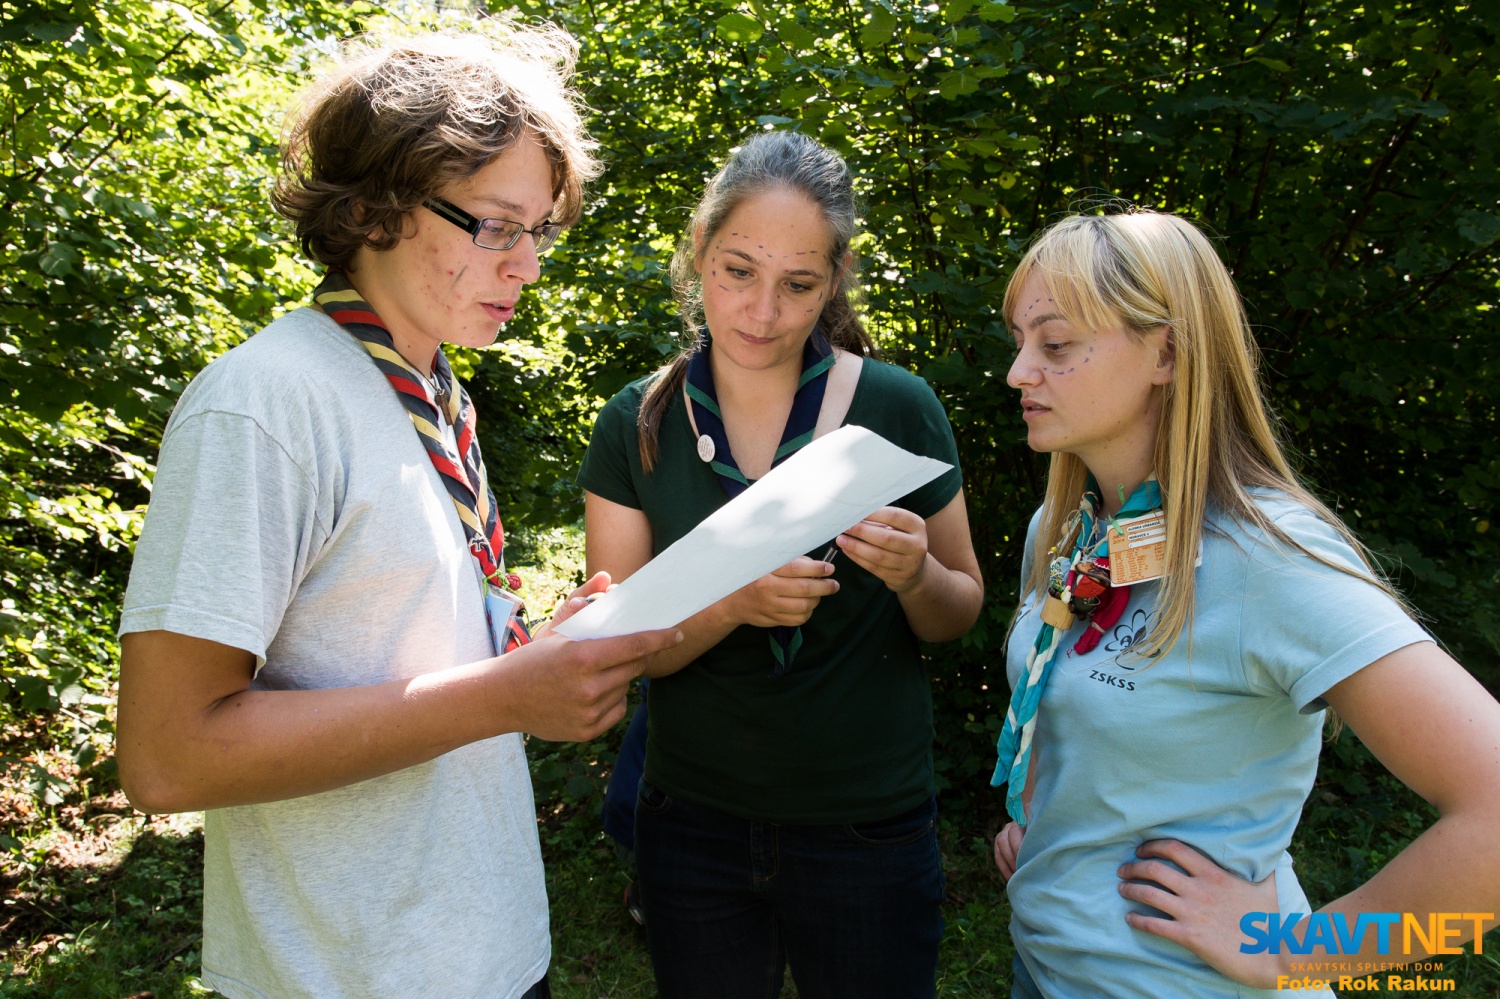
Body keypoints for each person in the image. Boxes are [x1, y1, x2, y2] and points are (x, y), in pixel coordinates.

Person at [114, 24, 682, 999]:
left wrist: (535, 657)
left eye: (540, 232)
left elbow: (395, 657)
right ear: (377, 204)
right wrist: (508, 698)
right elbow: (166, 756)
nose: (528, 268)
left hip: (486, 952)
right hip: (347, 975)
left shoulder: (435, 395)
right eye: (497, 227)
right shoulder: (266, 403)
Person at [990, 208, 1500, 998]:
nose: (1020, 371)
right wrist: (1060, 828)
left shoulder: (1269, 559)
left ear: (1166, 350)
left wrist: (1297, 952)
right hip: (1047, 971)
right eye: (1021, 343)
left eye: (1055, 345)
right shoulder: (1064, 530)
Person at [577, 130, 985, 999]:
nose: (762, 312)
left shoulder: (895, 405)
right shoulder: (637, 423)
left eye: (798, 285)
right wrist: (733, 601)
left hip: (867, 824)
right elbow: (619, 647)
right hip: (692, 821)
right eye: (737, 272)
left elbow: (961, 611)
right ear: (698, 252)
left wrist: (915, 576)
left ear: (834, 280)